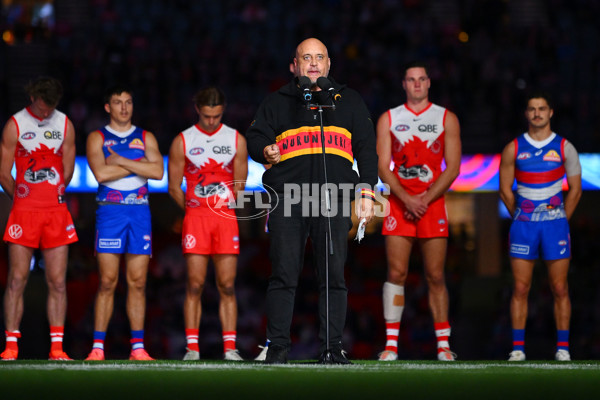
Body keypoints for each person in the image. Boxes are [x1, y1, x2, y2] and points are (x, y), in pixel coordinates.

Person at [246, 38, 378, 364]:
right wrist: (264, 149)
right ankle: (277, 348)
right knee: (283, 275)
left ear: (329, 64)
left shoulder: (349, 101)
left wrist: (366, 191)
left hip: (332, 199)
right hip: (288, 199)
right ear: (295, 65)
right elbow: (255, 136)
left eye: (319, 57)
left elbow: (367, 150)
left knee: (333, 277)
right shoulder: (277, 101)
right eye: (307, 57)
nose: (314, 63)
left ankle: (332, 348)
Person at [376, 62, 461, 362]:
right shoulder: (388, 118)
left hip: (432, 202)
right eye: (410, 79)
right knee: (396, 273)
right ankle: (390, 346)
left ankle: (442, 345)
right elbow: (382, 167)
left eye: (421, 79)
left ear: (428, 83)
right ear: (404, 84)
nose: (416, 84)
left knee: (435, 275)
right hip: (399, 203)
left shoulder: (446, 118)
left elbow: (452, 169)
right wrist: (407, 199)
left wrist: (423, 199)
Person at [499, 93, 581, 362]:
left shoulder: (565, 147)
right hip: (524, 227)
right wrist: (521, 216)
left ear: (551, 112)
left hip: (555, 226)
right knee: (521, 288)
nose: (537, 113)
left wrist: (560, 220)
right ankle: (518, 349)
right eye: (532, 109)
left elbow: (576, 190)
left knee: (560, 288)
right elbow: (504, 190)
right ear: (526, 114)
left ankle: (563, 349)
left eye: (542, 109)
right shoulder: (513, 148)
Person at [0, 76, 77, 361]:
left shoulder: (65, 124)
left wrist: (53, 193)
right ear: (32, 97)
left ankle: (57, 347)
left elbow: (67, 171)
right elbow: (3, 172)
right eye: (43, 107)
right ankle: (11, 345)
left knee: (57, 281)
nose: (46, 113)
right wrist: (21, 197)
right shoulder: (15, 125)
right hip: (24, 212)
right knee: (17, 279)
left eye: (51, 108)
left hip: (55, 213)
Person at [168, 87, 248, 361]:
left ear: (222, 111)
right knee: (194, 284)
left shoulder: (236, 139)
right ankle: (192, 348)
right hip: (196, 219)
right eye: (206, 116)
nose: (212, 121)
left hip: (225, 219)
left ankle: (230, 348)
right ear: (197, 110)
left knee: (227, 284)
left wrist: (222, 207)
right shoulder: (183, 140)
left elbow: (240, 184)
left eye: (216, 116)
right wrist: (192, 209)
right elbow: (173, 186)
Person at [84, 85, 163, 361]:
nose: (124, 108)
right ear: (108, 107)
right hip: (111, 212)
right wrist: (136, 163)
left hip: (139, 212)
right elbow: (101, 175)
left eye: (128, 102)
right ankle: (97, 348)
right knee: (107, 281)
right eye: (118, 102)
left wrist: (117, 160)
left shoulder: (145, 136)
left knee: (138, 282)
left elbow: (157, 170)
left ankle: (138, 348)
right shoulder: (97, 137)